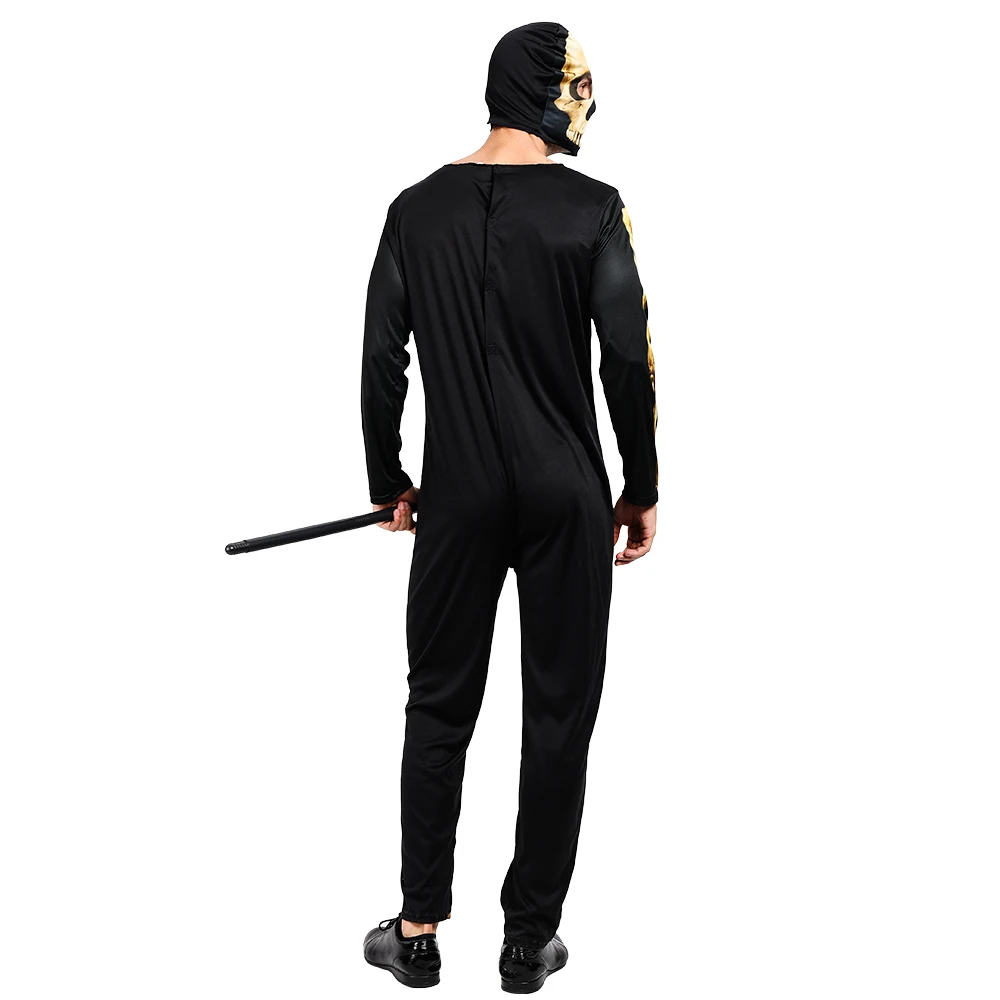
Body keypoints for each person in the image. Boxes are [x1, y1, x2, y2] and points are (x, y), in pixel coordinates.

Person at [360, 22, 658, 992]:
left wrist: (387, 481)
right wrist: (641, 484)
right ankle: (528, 941)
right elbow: (626, 357)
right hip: (567, 492)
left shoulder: (415, 210)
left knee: (438, 703)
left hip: (457, 492)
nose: (587, 102)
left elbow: (381, 357)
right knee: (559, 710)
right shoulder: (593, 209)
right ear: (542, 89)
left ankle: (415, 931)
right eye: (579, 85)